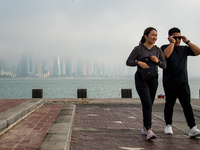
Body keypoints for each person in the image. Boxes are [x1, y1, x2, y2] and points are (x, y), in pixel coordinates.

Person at [126, 27, 167, 140]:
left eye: (156, 35)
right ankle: (149, 130)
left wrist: (157, 61)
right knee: (147, 103)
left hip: (153, 79)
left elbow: (164, 65)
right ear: (146, 36)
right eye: (153, 35)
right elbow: (128, 62)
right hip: (141, 78)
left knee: (149, 104)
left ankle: (145, 127)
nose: (155, 37)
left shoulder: (157, 50)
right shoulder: (138, 49)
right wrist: (139, 62)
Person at [161, 27, 200, 137]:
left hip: (183, 81)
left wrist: (187, 41)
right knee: (169, 104)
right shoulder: (164, 47)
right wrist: (172, 43)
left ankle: (193, 127)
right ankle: (168, 125)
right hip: (169, 82)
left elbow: (198, 52)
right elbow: (166, 55)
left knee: (187, 105)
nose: (177, 39)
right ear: (169, 37)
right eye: (174, 37)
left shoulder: (184, 49)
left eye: (179, 37)